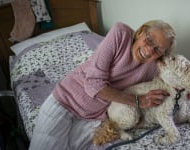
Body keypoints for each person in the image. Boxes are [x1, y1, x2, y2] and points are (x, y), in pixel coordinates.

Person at [29, 20, 176, 150]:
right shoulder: (121, 33)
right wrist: (138, 101)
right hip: (65, 102)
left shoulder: (154, 67)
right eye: (149, 40)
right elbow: (93, 84)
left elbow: (177, 79)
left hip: (95, 119)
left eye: (158, 50)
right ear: (142, 32)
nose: (150, 50)